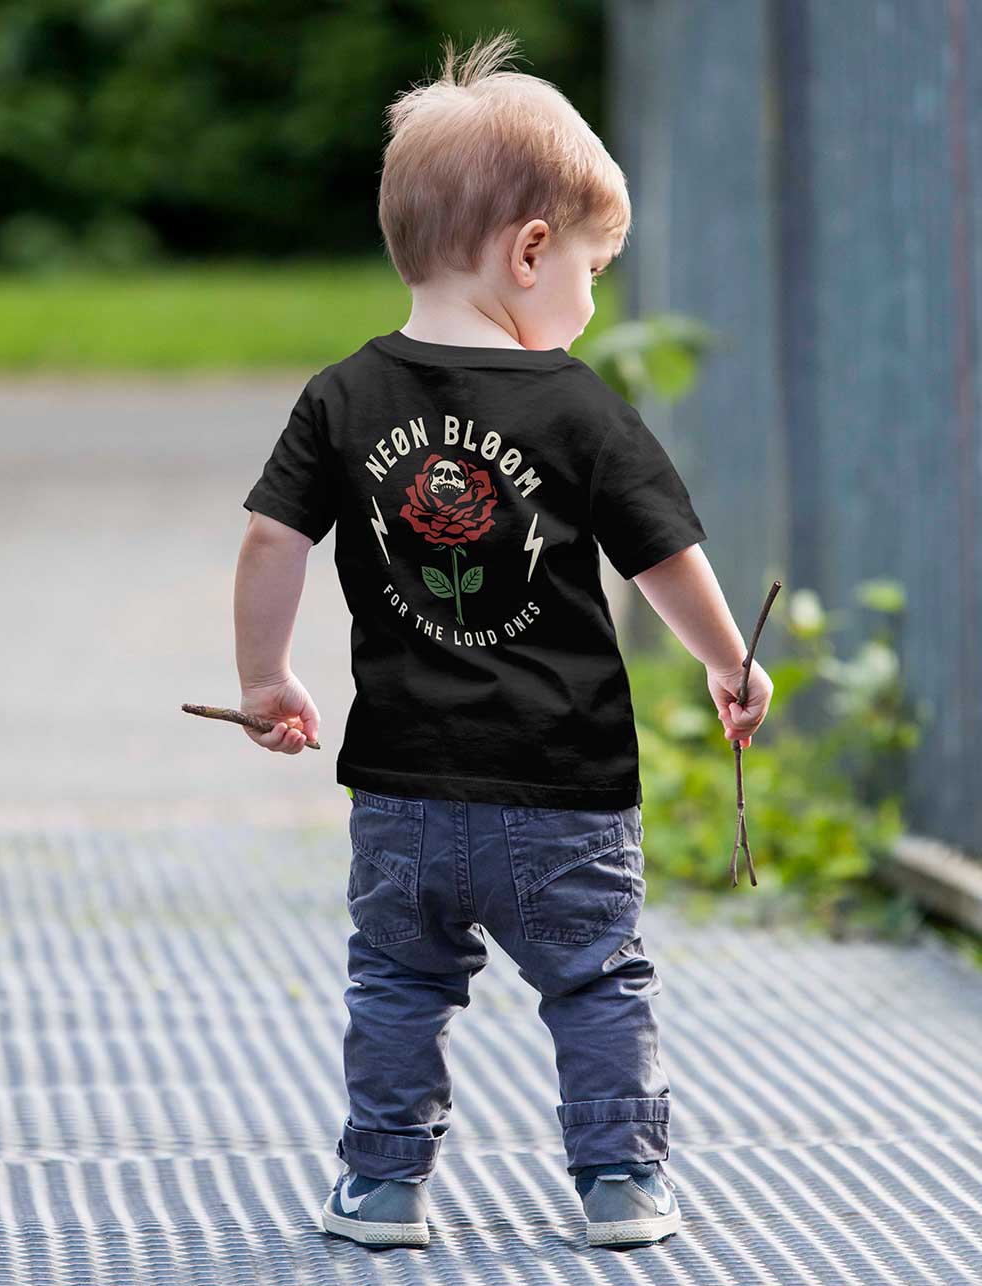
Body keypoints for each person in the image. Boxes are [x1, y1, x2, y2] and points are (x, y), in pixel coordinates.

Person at [233, 30, 773, 1251]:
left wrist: (264, 677)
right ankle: (621, 1180)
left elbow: (272, 537)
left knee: (396, 982)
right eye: (592, 269)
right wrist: (727, 661)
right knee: (595, 977)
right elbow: (661, 554)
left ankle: (382, 1186)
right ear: (531, 251)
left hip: (405, 787)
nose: (590, 300)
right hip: (562, 782)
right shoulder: (578, 405)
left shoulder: (341, 396)